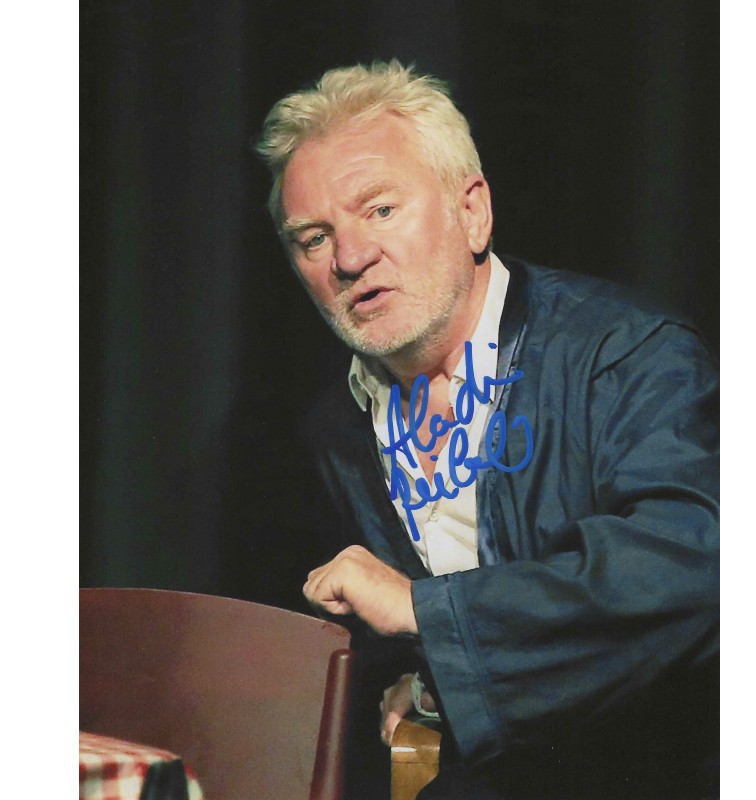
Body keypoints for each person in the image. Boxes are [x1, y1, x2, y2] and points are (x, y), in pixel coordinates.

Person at [256, 61, 719, 799]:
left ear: (472, 212)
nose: (349, 258)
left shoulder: (624, 352)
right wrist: (427, 682)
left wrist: (423, 612)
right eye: (313, 237)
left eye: (381, 209)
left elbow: (698, 573)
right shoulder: (332, 424)